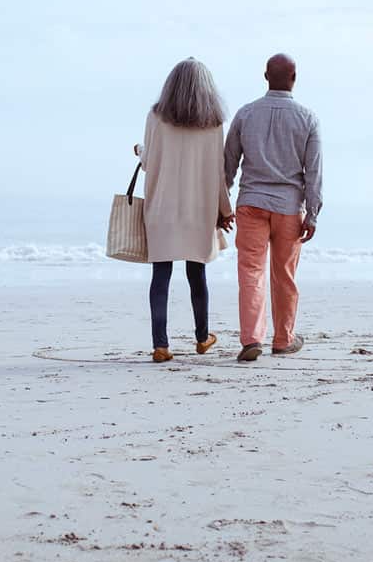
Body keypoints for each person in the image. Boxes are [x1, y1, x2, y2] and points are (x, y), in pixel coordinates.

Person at [134, 58, 235, 363]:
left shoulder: (156, 117)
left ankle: (161, 345)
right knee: (197, 273)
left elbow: (150, 162)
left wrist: (140, 151)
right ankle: (203, 338)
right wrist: (225, 209)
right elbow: (219, 173)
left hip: (163, 207)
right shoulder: (214, 123)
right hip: (198, 208)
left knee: (161, 275)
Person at [224, 53, 323, 362]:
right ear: (295, 78)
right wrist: (314, 212)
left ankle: (252, 339)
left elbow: (228, 163)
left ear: (265, 77)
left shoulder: (246, 114)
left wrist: (222, 202)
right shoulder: (307, 117)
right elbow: (314, 171)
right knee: (284, 275)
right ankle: (283, 339)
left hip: (252, 203)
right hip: (289, 207)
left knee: (251, 273)